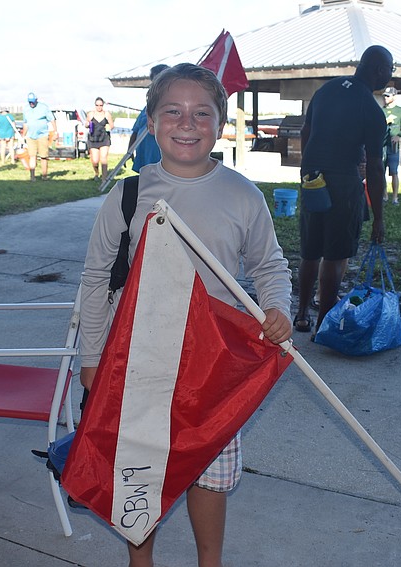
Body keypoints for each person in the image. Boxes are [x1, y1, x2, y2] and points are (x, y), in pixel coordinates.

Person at [78, 63, 292, 567]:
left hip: (212, 364)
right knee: (139, 466)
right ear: (151, 123)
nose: (187, 123)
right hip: (138, 359)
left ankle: (209, 560)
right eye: (172, 112)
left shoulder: (243, 195)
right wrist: (91, 357)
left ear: (220, 124)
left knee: (208, 468)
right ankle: (140, 558)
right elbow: (95, 278)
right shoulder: (128, 194)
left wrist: (277, 308)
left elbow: (269, 264)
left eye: (202, 113)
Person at [293, 45, 392, 336]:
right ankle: (324, 323)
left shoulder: (326, 90)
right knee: (335, 256)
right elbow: (375, 168)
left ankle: (301, 314)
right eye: (390, 69)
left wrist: (308, 166)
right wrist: (379, 217)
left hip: (312, 178)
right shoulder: (372, 110)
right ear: (378, 70)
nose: (390, 75)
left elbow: (305, 132)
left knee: (310, 252)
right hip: (344, 184)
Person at [129, 64, 169, 173]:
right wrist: (130, 150)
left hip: (161, 159)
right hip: (144, 156)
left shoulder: (173, 108)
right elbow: (135, 131)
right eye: (155, 81)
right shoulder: (146, 109)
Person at [382, 86, 401, 205]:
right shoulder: (381, 110)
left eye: (388, 96)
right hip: (382, 146)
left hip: (394, 146)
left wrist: (398, 135)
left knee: (394, 171)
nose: (385, 98)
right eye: (384, 96)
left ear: (394, 97)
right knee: (381, 171)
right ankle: (384, 196)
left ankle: (395, 197)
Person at [22, 92, 56, 181]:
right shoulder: (26, 109)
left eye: (33, 102)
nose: (31, 104)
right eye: (30, 102)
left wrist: (55, 131)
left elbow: (52, 120)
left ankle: (44, 176)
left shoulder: (44, 107)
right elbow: (25, 123)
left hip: (42, 135)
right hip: (30, 136)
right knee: (32, 156)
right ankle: (32, 176)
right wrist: (23, 135)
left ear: (36, 100)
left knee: (43, 156)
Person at [86, 97, 114, 181]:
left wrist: (109, 127)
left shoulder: (107, 114)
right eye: (97, 105)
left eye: (101, 105)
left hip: (104, 138)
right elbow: (87, 123)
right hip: (93, 138)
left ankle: (104, 179)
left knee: (104, 158)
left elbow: (112, 125)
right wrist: (87, 124)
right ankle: (96, 173)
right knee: (95, 160)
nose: (99, 107)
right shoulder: (91, 114)